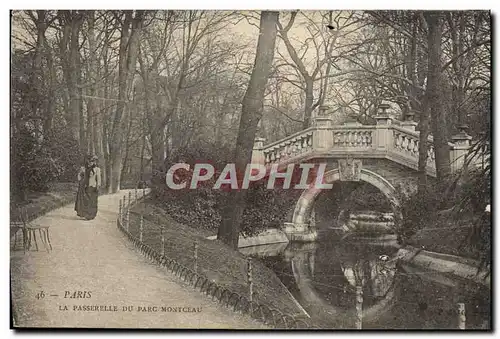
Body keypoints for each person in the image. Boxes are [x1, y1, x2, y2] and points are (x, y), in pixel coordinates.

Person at [75, 155, 101, 220]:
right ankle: (86, 214)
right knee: (86, 201)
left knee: (93, 201)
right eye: (89, 161)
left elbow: (98, 179)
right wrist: (80, 180)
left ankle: (92, 215)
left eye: (92, 161)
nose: (90, 163)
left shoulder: (97, 169)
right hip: (85, 187)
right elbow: (79, 176)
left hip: (93, 186)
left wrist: (98, 186)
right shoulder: (84, 168)